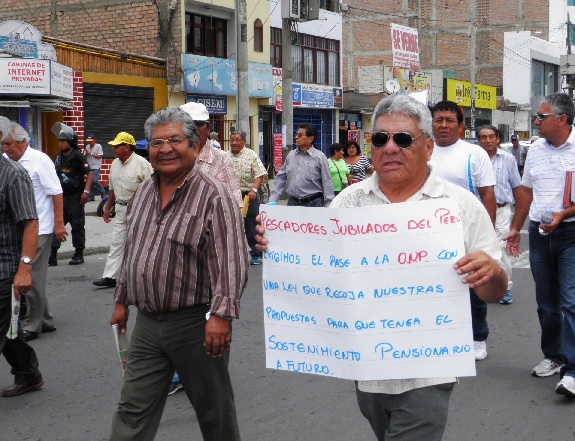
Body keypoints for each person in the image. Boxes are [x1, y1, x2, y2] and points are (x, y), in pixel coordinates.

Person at [256, 95, 507, 440]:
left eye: (403, 139)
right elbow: (322, 270)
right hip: (368, 370)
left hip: (429, 371)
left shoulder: (459, 206)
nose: (390, 148)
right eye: (379, 138)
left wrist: (491, 274)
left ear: (428, 147)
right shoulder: (349, 201)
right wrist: (281, 248)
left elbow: (493, 292)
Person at [109, 107, 248, 440]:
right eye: (157, 142)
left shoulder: (213, 194)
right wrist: (121, 300)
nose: (165, 148)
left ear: (194, 146)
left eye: (174, 140)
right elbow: (135, 250)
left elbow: (231, 259)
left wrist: (221, 316)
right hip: (148, 325)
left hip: (196, 324)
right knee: (132, 408)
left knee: (214, 411)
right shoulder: (143, 194)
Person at [505, 92, 575, 397]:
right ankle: (554, 355)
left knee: (570, 301)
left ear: (561, 119)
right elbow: (526, 193)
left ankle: (572, 369)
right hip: (539, 232)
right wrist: (515, 228)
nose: (535, 121)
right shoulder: (534, 150)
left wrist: (562, 215)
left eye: (541, 117)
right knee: (546, 303)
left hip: (571, 233)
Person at [429, 100, 497, 361]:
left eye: (449, 120)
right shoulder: (422, 150)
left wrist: (486, 235)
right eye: (439, 120)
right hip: (428, 233)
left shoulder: (474, 153)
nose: (443, 125)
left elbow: (487, 195)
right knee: (434, 286)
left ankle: (478, 336)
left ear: (460, 126)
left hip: (466, 232)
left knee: (472, 286)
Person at [2, 122, 67, 341]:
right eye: (3, 144)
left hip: (40, 228)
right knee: (32, 276)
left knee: (33, 276)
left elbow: (56, 193)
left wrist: (59, 224)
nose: (6, 148)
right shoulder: (9, 163)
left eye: (9, 144)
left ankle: (33, 323)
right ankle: (46, 319)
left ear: (22, 141)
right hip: (19, 229)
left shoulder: (39, 160)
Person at [0, 139, 44, 397]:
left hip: (5, 268)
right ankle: (28, 373)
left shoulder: (13, 175)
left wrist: (24, 269)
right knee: (8, 328)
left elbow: (30, 223)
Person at [92, 132, 152, 288]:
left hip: (140, 209)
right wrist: (107, 208)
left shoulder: (142, 163)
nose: (113, 149)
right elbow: (111, 189)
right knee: (117, 242)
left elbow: (152, 189)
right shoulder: (114, 164)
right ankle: (109, 276)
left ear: (127, 147)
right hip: (120, 208)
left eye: (117, 146)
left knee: (139, 243)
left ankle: (142, 276)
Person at [477, 125, 522, 306]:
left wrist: (518, 219)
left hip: (502, 210)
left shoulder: (508, 159)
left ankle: (505, 287)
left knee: (500, 248)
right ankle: (482, 286)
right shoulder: (474, 158)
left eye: (491, 137)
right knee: (479, 247)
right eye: (483, 137)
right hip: (479, 211)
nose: (487, 140)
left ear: (497, 139)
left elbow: (517, 186)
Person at [180, 102, 242, 207]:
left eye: (198, 123)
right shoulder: (172, 157)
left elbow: (233, 204)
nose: (192, 129)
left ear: (208, 128)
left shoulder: (222, 160)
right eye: (187, 125)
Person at [49, 123, 93, 266]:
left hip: (76, 197)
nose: (60, 143)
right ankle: (52, 254)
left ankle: (78, 253)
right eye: (59, 141)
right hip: (61, 197)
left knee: (77, 225)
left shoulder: (78, 156)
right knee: (57, 224)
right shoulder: (57, 157)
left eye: (63, 141)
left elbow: (90, 173)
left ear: (70, 142)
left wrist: (86, 192)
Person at [269, 123, 335, 207]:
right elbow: (281, 177)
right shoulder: (291, 155)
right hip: (293, 202)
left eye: (300, 135)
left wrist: (329, 204)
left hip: (314, 202)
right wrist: (272, 198)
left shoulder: (319, 157)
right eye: (296, 135)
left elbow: (327, 181)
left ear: (310, 138)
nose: (296, 137)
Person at [228, 130, 268, 266]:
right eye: (232, 139)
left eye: (237, 140)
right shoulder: (224, 156)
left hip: (248, 197)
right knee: (230, 225)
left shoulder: (251, 155)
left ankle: (256, 253)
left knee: (251, 225)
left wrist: (254, 190)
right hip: (231, 196)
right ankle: (233, 254)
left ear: (243, 142)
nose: (234, 142)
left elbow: (260, 174)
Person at [84, 134, 107, 201]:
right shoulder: (87, 146)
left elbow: (100, 156)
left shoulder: (98, 146)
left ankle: (103, 192)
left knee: (95, 180)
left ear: (94, 140)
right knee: (89, 181)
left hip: (96, 165)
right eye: (88, 141)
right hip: (89, 165)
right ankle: (91, 196)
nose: (89, 142)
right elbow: (86, 155)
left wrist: (90, 154)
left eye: (90, 141)